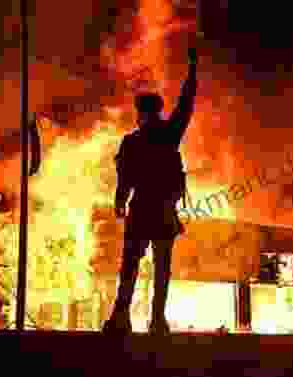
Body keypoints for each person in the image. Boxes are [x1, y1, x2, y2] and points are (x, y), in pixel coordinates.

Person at [102, 48, 198, 335]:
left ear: (141, 113)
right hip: (164, 210)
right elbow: (186, 103)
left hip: (142, 208)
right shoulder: (169, 133)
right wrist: (193, 68)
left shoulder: (132, 141)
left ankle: (121, 317)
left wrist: (120, 201)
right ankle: (157, 320)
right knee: (162, 269)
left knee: (130, 265)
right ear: (157, 110)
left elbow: (125, 177)